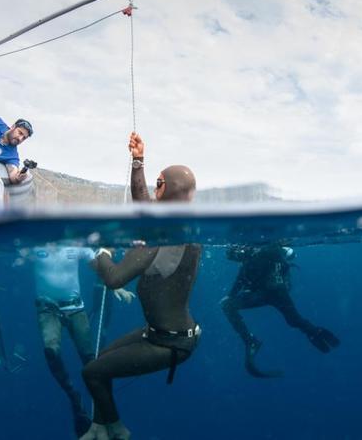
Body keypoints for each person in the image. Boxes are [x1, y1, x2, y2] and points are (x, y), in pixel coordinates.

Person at [80, 132, 200, 440]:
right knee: (100, 362)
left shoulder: (157, 238)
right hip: (165, 333)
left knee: (92, 373)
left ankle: (118, 431)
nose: (154, 188)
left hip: (169, 345)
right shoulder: (184, 229)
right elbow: (146, 205)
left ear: (164, 187)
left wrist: (101, 251)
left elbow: (114, 279)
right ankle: (99, 426)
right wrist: (138, 162)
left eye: (158, 182)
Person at [21, 244, 135, 438]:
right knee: (51, 351)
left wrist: (116, 286)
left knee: (91, 361)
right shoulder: (34, 244)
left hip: (75, 309)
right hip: (47, 310)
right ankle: (74, 396)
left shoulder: (77, 244)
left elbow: (98, 267)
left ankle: (105, 415)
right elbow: (11, 249)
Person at [221, 243, 340, 378]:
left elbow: (243, 277)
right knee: (294, 320)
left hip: (268, 293)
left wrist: (231, 295)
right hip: (275, 292)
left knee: (228, 306)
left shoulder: (258, 252)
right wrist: (231, 294)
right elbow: (243, 276)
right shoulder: (256, 256)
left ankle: (251, 341)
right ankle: (314, 331)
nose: (236, 255)